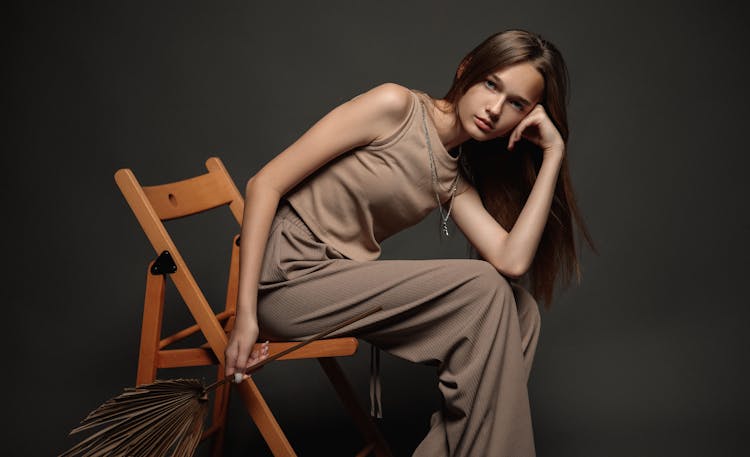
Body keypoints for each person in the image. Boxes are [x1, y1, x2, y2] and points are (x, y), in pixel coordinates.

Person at [225, 29, 594, 456]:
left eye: (516, 104)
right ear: (466, 69)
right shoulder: (394, 107)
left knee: (520, 310)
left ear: (526, 117)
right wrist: (246, 317)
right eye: (491, 84)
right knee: (481, 286)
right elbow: (264, 183)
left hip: (339, 282)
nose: (495, 109)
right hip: (286, 281)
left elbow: (512, 260)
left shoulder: (452, 178)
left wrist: (552, 155)